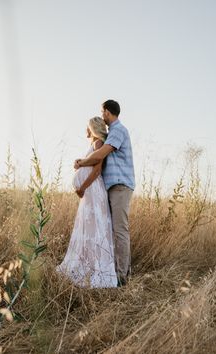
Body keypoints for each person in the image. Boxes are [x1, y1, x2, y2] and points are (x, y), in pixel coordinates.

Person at [75, 100, 135, 286]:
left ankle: (121, 277)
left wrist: (81, 162)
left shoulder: (118, 131)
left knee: (120, 230)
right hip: (112, 187)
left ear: (108, 112)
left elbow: (101, 155)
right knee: (114, 230)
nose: (102, 116)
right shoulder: (111, 133)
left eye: (103, 113)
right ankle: (119, 270)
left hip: (120, 186)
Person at [56, 117, 118, 288]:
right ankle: (87, 264)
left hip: (92, 191)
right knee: (89, 228)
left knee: (94, 229)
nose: (85, 129)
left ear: (92, 128)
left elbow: (97, 170)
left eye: (87, 127)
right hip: (90, 193)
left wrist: (82, 187)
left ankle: (94, 268)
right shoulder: (95, 144)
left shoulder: (98, 143)